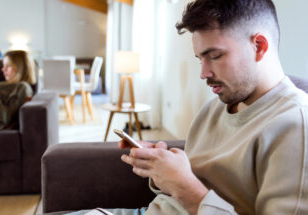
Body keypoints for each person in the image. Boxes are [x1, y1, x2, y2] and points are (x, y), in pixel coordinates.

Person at [119, 0, 308, 214]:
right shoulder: (214, 108)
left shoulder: (296, 125)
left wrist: (183, 186)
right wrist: (163, 167)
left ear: (259, 46)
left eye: (215, 56)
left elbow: (189, 189)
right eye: (201, 59)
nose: (203, 73)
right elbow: (197, 182)